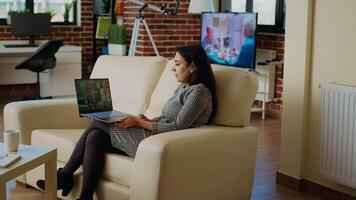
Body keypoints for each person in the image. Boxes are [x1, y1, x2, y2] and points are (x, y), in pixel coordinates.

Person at [36, 44, 217, 200]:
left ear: (192, 67)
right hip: (156, 133)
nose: (173, 68)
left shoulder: (199, 92)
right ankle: (85, 196)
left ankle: (66, 174)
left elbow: (177, 126)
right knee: (95, 137)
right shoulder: (183, 87)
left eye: (177, 64)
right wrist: (148, 119)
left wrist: (138, 122)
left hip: (162, 141)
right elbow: (170, 118)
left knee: (100, 122)